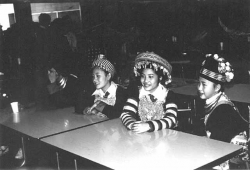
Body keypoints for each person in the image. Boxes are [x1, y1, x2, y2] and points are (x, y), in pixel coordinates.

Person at [197, 54, 248, 169]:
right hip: (223, 150)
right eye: (198, 83)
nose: (199, 88)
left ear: (217, 88)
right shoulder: (216, 102)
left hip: (233, 162)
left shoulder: (223, 111)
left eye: (204, 84)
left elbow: (218, 146)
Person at [120, 52, 178, 133]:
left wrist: (148, 125)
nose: (146, 80)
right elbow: (126, 113)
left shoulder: (168, 95)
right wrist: (132, 124)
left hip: (163, 139)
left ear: (160, 78)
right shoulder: (137, 93)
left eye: (150, 76)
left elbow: (172, 119)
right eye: (143, 76)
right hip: (141, 139)